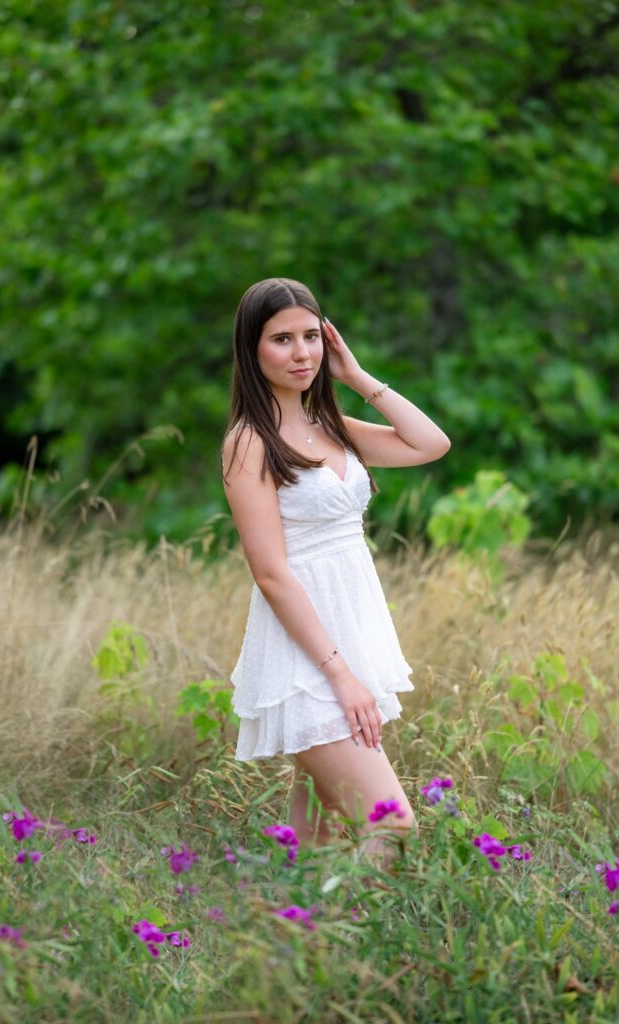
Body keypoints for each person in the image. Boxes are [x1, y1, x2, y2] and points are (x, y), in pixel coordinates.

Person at [221, 278, 451, 862]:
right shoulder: (251, 442)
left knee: (317, 845)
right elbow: (271, 573)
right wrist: (339, 675)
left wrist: (356, 378)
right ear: (252, 350)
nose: (301, 353)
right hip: (310, 656)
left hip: (351, 639)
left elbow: (431, 444)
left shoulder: (333, 428)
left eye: (309, 337)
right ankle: (355, 945)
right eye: (281, 340)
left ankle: (298, 946)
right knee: (392, 829)